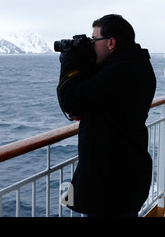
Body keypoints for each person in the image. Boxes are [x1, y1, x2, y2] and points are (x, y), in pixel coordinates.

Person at [57, 14, 156, 217]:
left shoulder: (120, 71)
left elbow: (71, 100)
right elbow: (98, 95)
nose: (92, 45)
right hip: (127, 174)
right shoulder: (136, 64)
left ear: (111, 42)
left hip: (109, 184)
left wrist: (70, 60)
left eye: (95, 40)